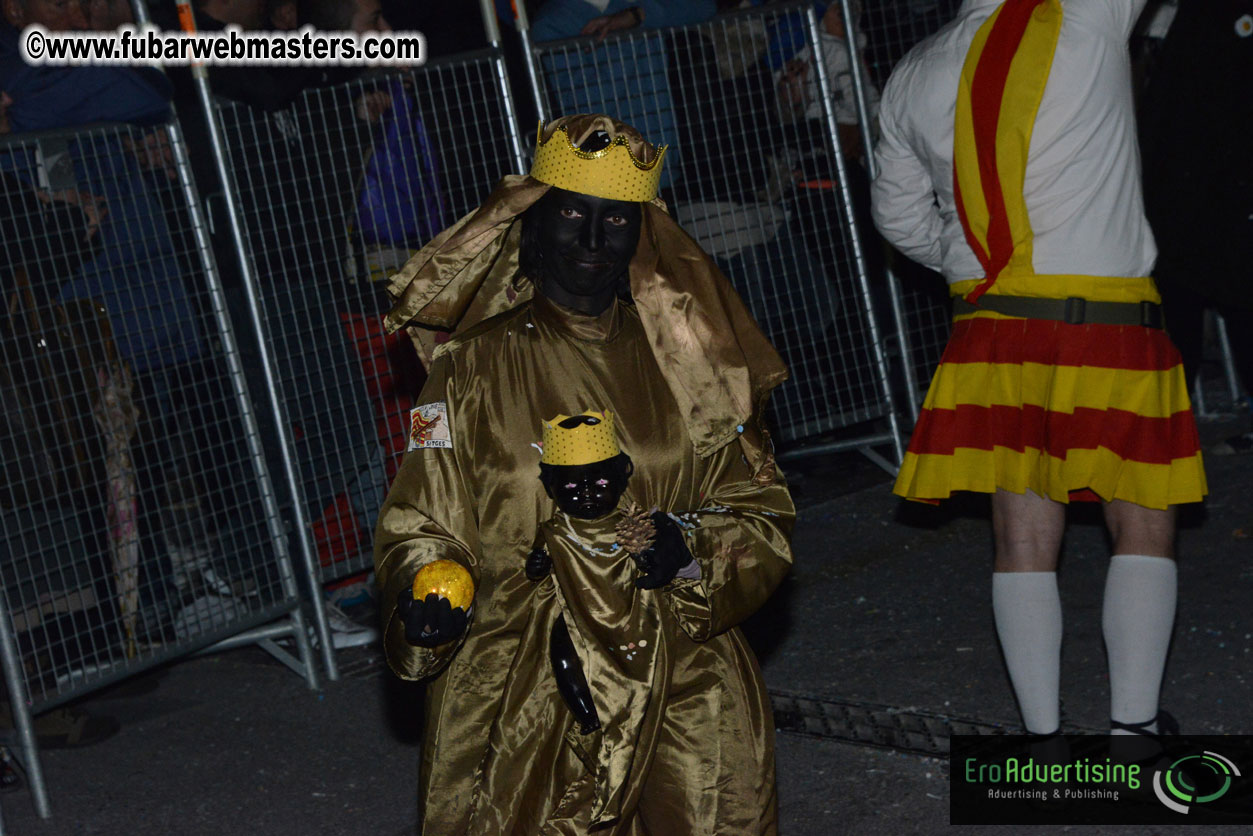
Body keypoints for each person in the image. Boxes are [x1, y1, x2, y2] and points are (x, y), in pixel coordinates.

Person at [375, 113, 794, 834]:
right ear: (534, 226)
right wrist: (425, 587)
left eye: (617, 220)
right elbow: (421, 516)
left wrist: (691, 555)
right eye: (572, 214)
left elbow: (756, 506)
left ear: (644, 235)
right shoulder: (463, 371)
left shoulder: (690, 363)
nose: (595, 241)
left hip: (676, 672)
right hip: (519, 683)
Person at [870, 0, 1207, 746]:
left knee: (1020, 531)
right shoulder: (1087, 13)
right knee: (1142, 517)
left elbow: (896, 219)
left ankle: (1042, 742)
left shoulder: (911, 70)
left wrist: (963, 259)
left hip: (990, 324)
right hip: (1105, 318)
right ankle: (1133, 732)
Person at [1138, 0, 1253, 455]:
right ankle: (1167, 434)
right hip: (1185, 204)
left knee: (1239, 308)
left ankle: (1167, 434)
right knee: (1183, 316)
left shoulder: (1220, 17)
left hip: (1218, 199)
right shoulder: (1187, 19)